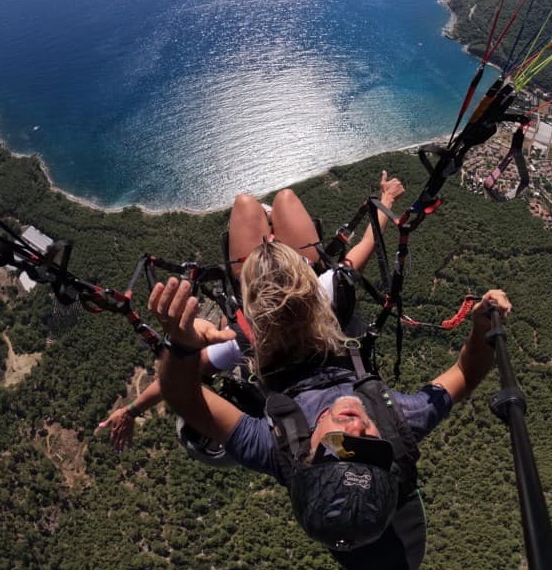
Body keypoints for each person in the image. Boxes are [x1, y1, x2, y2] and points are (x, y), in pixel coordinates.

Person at [149, 239, 510, 570]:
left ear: (306, 459)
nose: (358, 428)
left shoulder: (278, 450)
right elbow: (465, 374)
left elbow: (185, 399)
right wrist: (481, 329)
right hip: (332, 336)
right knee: (305, 261)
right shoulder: (397, 426)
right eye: (372, 448)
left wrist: (177, 345)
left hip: (273, 349)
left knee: (255, 247)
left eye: (339, 447)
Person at [97, 171, 405, 452]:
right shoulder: (326, 291)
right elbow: (368, 241)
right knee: (283, 199)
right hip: (292, 275)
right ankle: (275, 251)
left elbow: (181, 376)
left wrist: (134, 407)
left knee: (246, 204)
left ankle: (266, 246)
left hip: (292, 275)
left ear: (252, 300)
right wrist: (387, 198)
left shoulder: (251, 335)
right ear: (305, 284)